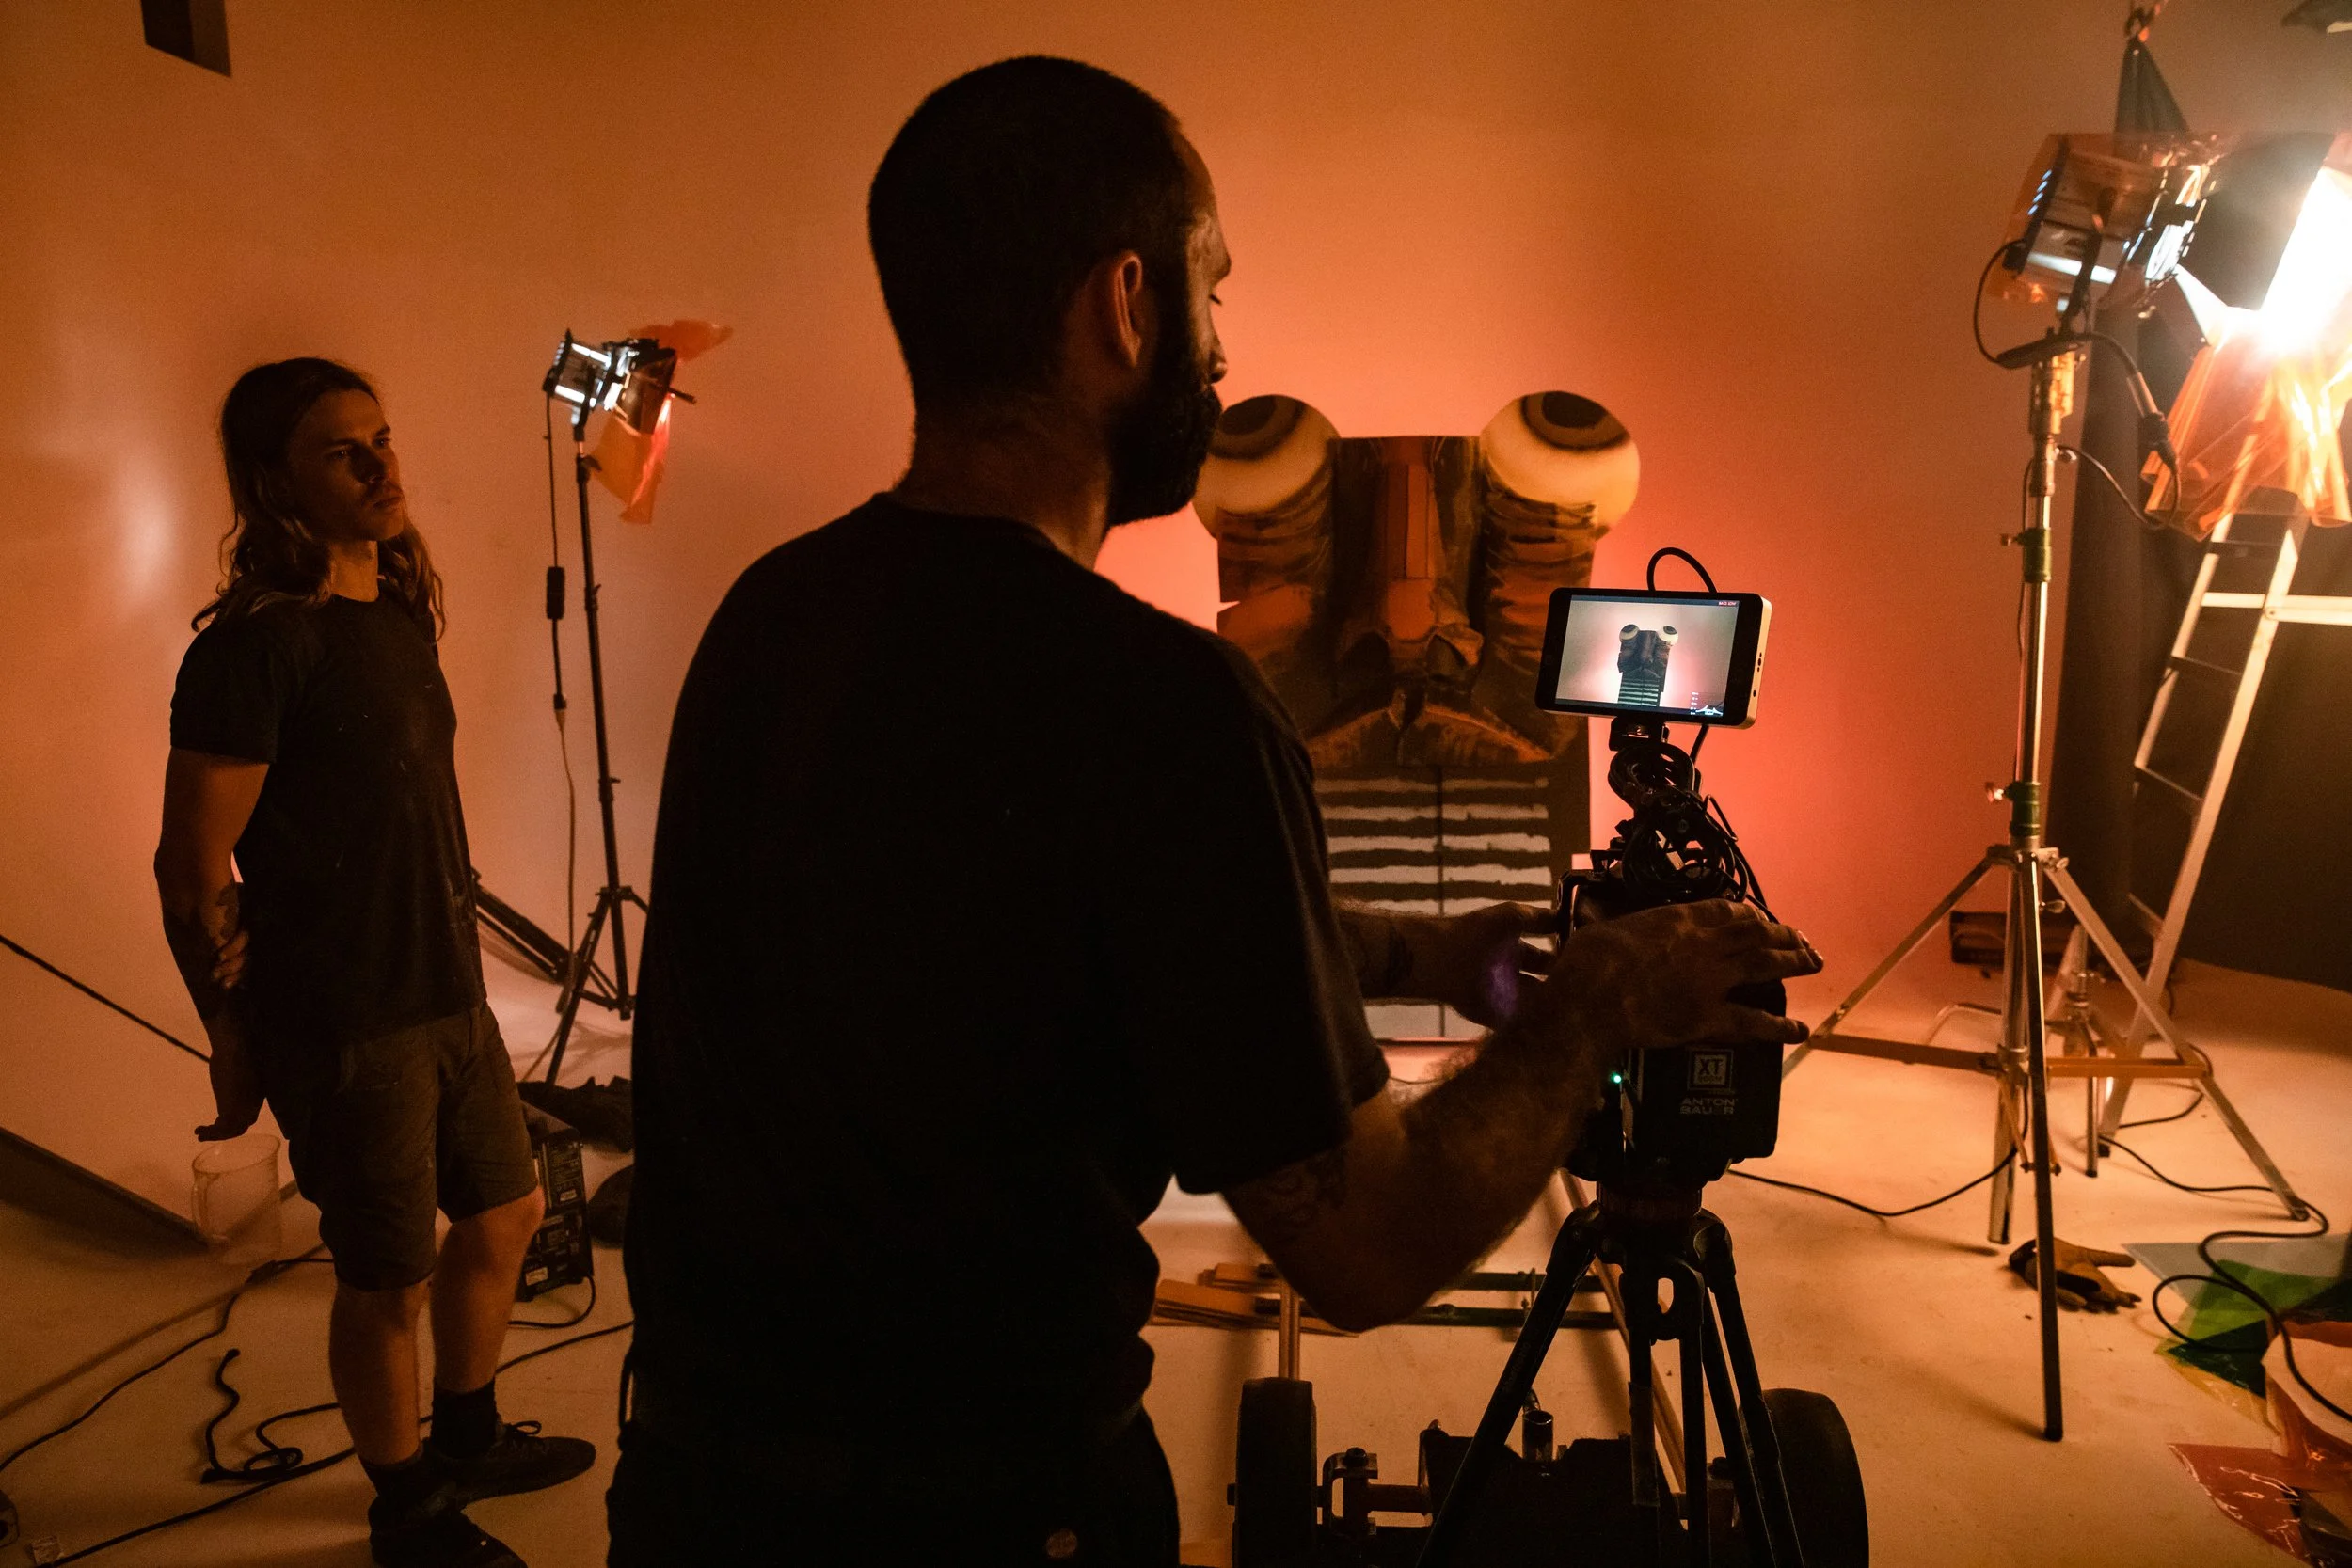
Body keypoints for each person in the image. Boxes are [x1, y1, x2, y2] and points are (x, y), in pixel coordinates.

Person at [606, 56, 1820, 1566]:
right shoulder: (1167, 707)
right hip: (994, 1517)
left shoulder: (768, 619)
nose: (1225, 347)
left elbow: (1071, 926)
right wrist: (1593, 1006)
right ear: (1127, 304)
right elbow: (1366, 1241)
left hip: (693, 1500)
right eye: (1213, 286)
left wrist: (1427, 953)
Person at [155, 360, 596, 1568]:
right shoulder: (257, 646)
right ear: (272, 481)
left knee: (505, 1210)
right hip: (348, 1017)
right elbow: (190, 866)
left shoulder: (391, 611)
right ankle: (405, 1506)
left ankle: (465, 1433)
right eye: (341, 450)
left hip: (447, 988)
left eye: (383, 437)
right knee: (387, 1273)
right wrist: (232, 1033)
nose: (380, 465)